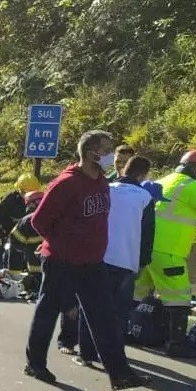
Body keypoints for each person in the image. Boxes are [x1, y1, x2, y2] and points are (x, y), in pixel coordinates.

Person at [23, 130, 150, 390]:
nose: (110, 155)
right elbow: (39, 221)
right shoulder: (66, 183)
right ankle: (35, 364)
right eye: (106, 150)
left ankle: (120, 374)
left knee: (104, 317)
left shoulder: (102, 181)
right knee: (48, 311)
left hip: (93, 263)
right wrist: (62, 245)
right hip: (62, 261)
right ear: (92, 153)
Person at [65, 155, 157, 366]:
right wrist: (143, 262)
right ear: (144, 174)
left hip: (99, 257)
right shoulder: (145, 197)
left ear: (124, 168)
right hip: (127, 261)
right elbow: (148, 235)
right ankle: (114, 358)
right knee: (118, 313)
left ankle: (86, 355)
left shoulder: (106, 188)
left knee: (92, 307)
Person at [134, 150, 196, 358]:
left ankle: (130, 332)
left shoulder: (165, 180)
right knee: (180, 299)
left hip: (144, 248)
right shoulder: (191, 187)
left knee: (137, 293)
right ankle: (176, 345)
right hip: (168, 252)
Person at [0, 173, 43, 269]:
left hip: (21, 236)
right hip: (4, 234)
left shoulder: (35, 202)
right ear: (20, 191)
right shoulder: (11, 200)